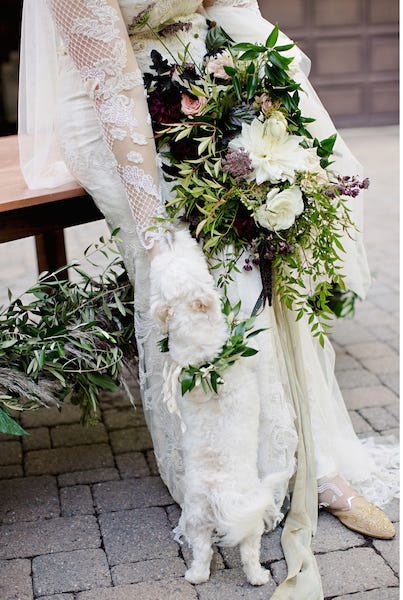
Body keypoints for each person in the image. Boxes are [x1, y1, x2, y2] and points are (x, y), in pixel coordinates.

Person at [18, 1, 398, 597]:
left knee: (257, 260)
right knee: (196, 281)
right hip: (115, 118)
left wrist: (264, 108)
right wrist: (158, 237)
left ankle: (309, 461)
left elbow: (227, 10)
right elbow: (111, 87)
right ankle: (220, 474)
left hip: (200, 84)